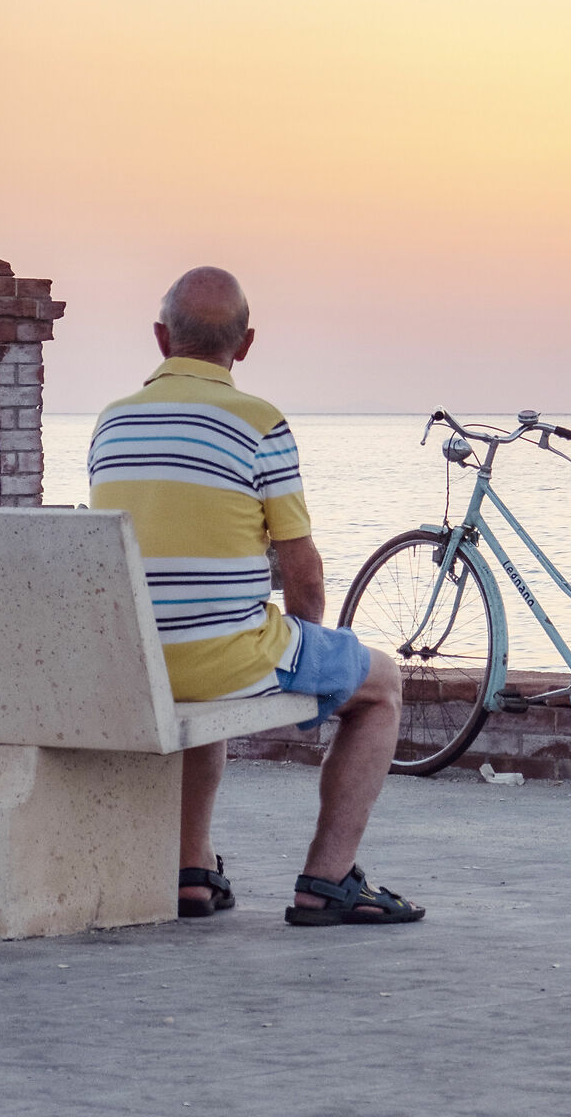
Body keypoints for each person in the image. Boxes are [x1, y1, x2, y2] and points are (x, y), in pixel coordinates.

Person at [89, 267, 420, 925]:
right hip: (220, 658)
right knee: (380, 684)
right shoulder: (260, 423)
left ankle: (191, 871)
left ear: (161, 339)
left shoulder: (112, 422)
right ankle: (327, 881)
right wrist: (311, 653)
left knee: (207, 643)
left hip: (132, 661)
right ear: (244, 345)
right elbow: (304, 571)